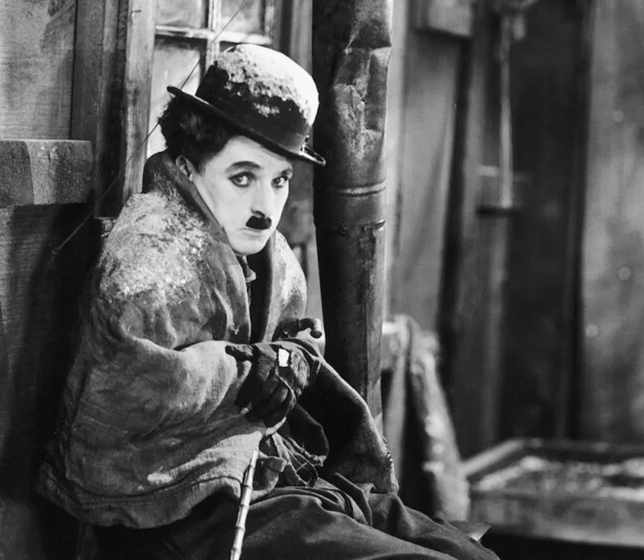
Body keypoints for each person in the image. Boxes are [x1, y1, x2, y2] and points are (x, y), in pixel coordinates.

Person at [38, 44, 498, 560]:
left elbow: (291, 338)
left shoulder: (263, 248)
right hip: (175, 507)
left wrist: (295, 353)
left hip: (268, 473)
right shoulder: (153, 254)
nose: (265, 207)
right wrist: (245, 370)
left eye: (279, 180)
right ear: (188, 164)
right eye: (243, 177)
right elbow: (121, 394)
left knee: (467, 552)